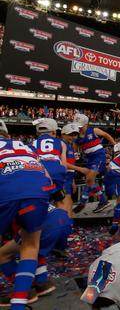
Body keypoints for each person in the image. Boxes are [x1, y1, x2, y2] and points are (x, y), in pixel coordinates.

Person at [0, 120, 52, 309]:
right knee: (30, 246)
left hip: (5, 191)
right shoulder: (24, 146)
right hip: (37, 191)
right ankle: (19, 303)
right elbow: (48, 178)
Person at [0, 203, 73, 306]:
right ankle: (42, 283)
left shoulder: (5, 202)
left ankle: (25, 292)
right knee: (36, 247)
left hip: (46, 226)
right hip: (64, 220)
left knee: (3, 255)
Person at [72, 113, 116, 213]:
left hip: (99, 156)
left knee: (90, 178)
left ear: (86, 124)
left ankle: (82, 202)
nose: (79, 128)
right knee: (90, 181)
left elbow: (106, 135)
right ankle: (103, 201)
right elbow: (75, 151)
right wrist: (75, 154)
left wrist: (115, 146)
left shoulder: (93, 130)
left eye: (81, 126)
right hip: (89, 160)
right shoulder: (76, 137)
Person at [59, 123, 92, 216]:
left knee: (68, 202)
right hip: (62, 177)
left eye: (75, 134)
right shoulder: (61, 145)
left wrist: (73, 181)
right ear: (63, 134)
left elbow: (70, 164)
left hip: (68, 178)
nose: (73, 137)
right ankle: (65, 225)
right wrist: (80, 169)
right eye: (70, 134)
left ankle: (67, 224)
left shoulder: (70, 145)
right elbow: (62, 163)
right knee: (65, 203)